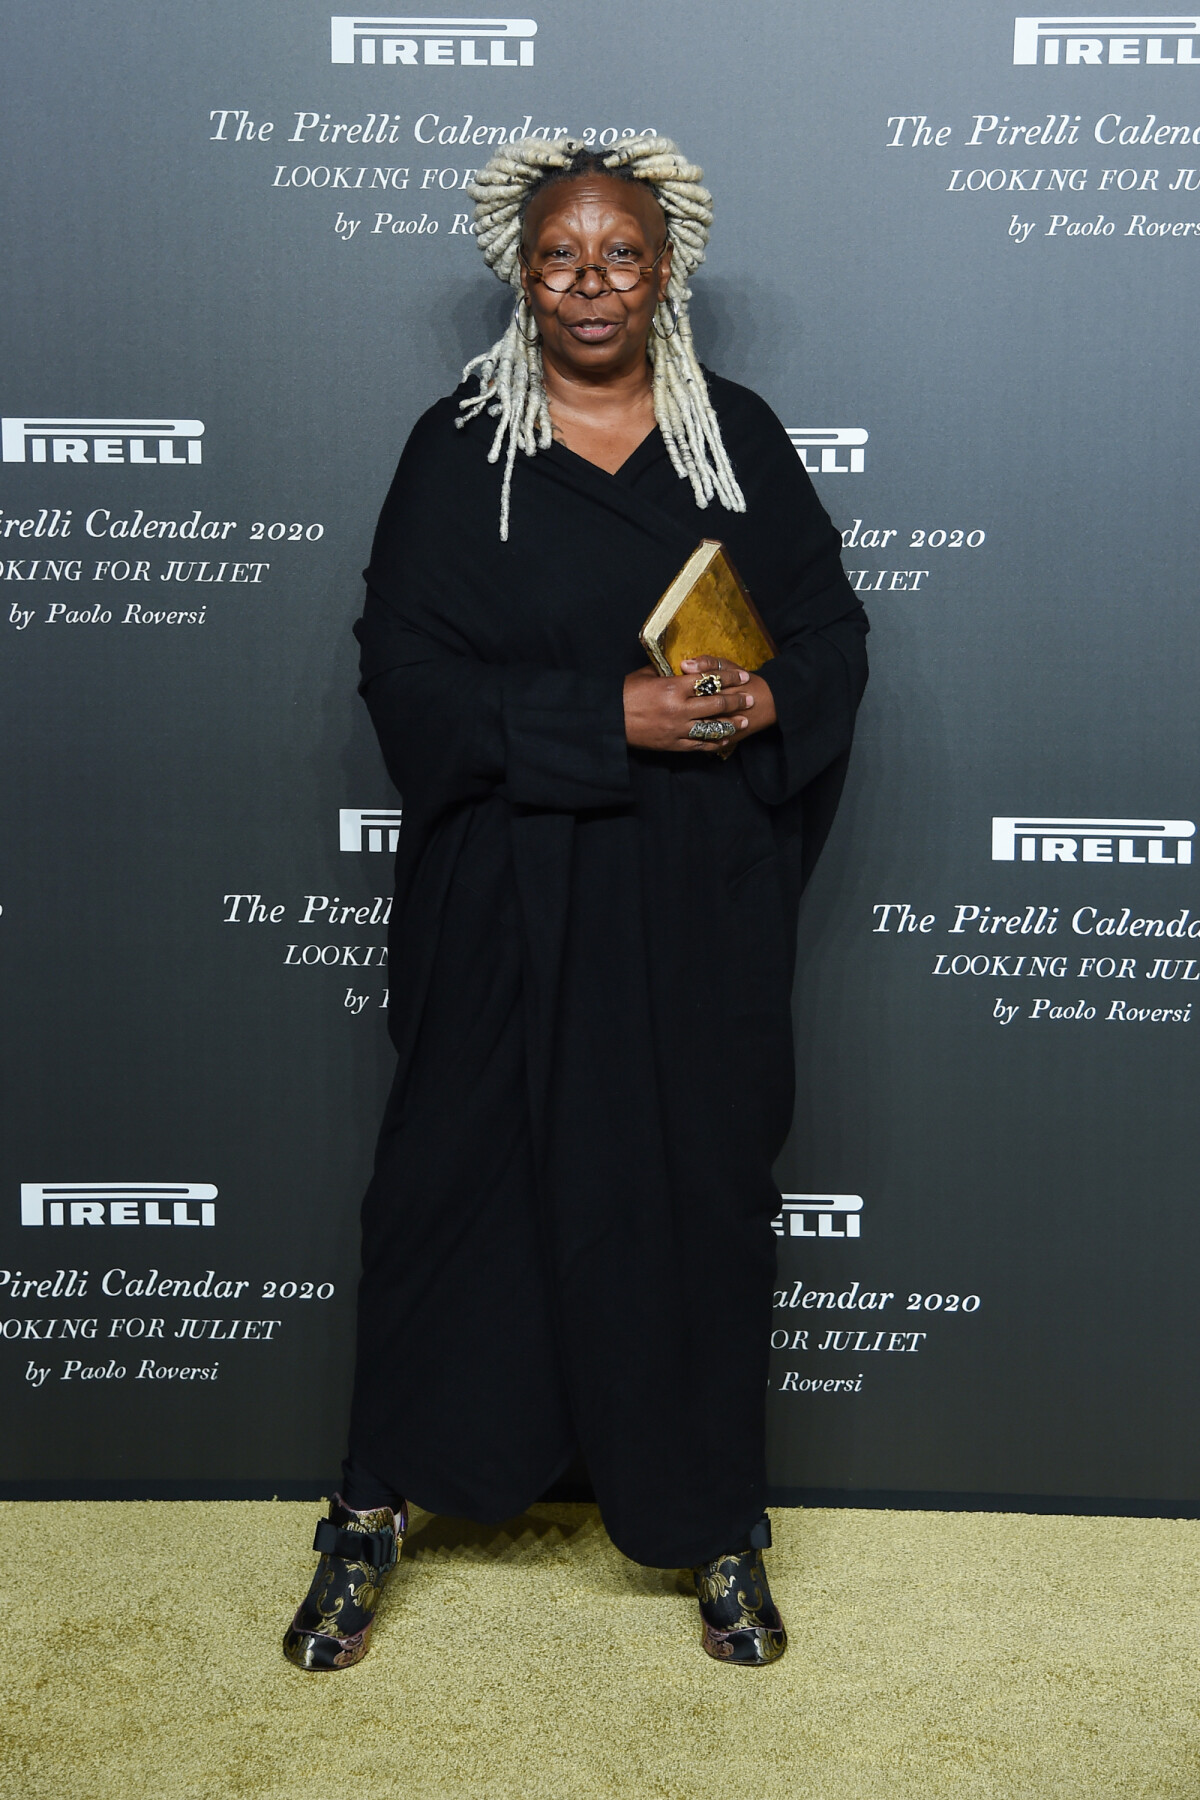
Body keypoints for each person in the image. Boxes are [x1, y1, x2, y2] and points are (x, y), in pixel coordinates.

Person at [283, 134, 869, 1672]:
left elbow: (830, 643)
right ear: (519, 270)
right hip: (506, 903)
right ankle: (369, 1510)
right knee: (445, 1198)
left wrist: (755, 705)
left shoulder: (732, 440)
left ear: (665, 267)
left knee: (693, 1207)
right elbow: (406, 687)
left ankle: (715, 1525)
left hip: (693, 905)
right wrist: (617, 716)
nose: (592, 281)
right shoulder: (455, 445)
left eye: (621, 254)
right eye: (561, 256)